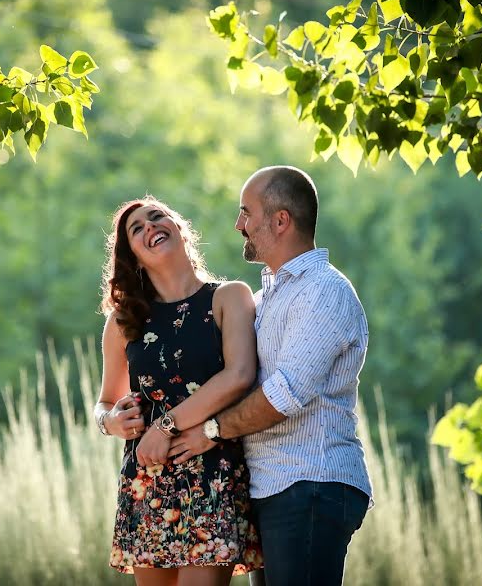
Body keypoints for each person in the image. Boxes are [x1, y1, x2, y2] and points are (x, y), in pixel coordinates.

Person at [171, 166, 373, 586]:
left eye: (247, 213)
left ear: (281, 221)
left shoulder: (324, 291)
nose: (238, 224)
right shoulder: (265, 298)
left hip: (310, 483)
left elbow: (284, 395)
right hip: (270, 487)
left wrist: (210, 430)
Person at [95, 196, 263, 586]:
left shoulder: (229, 297)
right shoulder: (123, 321)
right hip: (147, 478)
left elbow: (239, 375)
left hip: (212, 474)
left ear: (181, 230)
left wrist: (164, 427)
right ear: (134, 257)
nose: (150, 227)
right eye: (137, 229)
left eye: (158, 217)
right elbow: (104, 402)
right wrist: (111, 421)